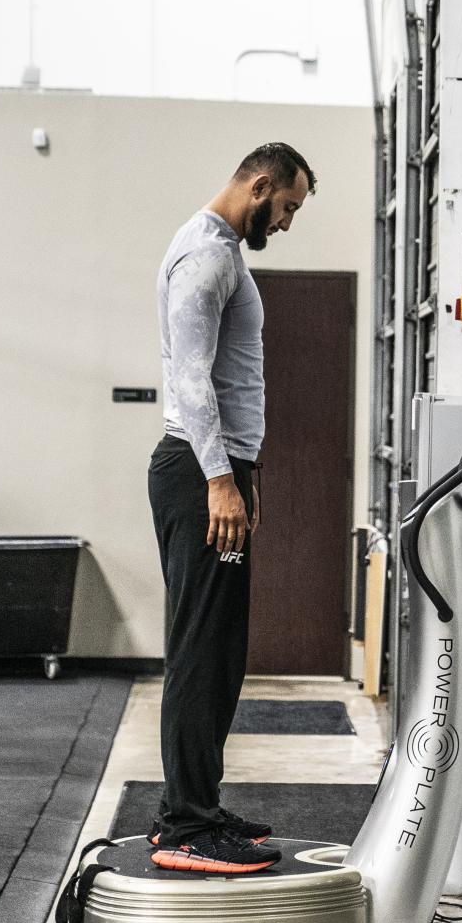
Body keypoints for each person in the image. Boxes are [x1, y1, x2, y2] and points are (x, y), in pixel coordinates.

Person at [147, 143, 315, 874]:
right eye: (286, 208)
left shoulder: (222, 253)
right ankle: (186, 827)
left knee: (219, 652)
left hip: (220, 473)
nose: (286, 224)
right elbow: (190, 380)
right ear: (259, 185)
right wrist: (221, 480)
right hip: (197, 473)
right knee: (200, 646)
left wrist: (244, 479)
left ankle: (196, 808)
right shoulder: (208, 259)